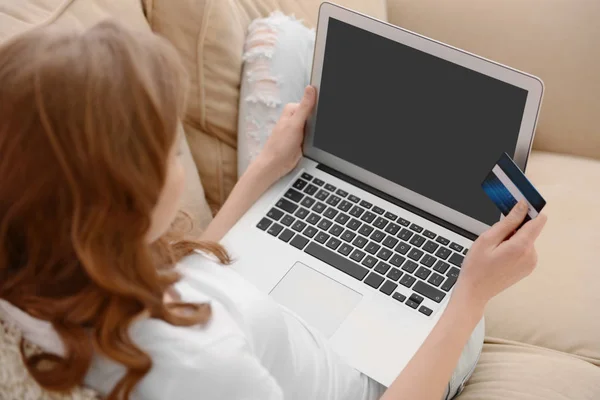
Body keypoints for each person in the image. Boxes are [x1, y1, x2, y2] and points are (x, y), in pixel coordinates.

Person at [0, 21, 547, 400]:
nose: (180, 163)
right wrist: (471, 293)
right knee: (481, 197)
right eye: (170, 150)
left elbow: (190, 281)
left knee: (287, 49)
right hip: (384, 378)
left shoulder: (53, 278)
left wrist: (264, 168)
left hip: (267, 302)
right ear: (125, 200)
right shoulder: (199, 368)